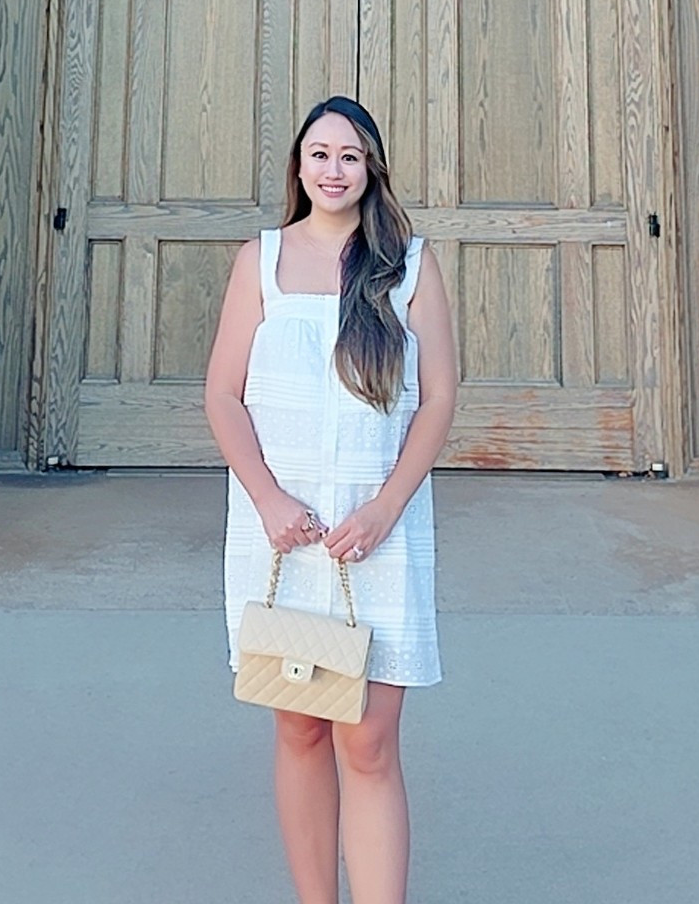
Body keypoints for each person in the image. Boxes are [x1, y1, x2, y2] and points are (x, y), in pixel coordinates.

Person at [206, 96, 457, 904]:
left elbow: (440, 399)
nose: (333, 170)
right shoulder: (262, 260)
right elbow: (222, 395)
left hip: (373, 532)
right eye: (319, 154)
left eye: (349, 156)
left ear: (370, 168)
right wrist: (270, 499)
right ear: (299, 167)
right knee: (301, 725)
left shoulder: (409, 266)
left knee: (371, 741)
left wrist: (386, 507)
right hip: (281, 534)